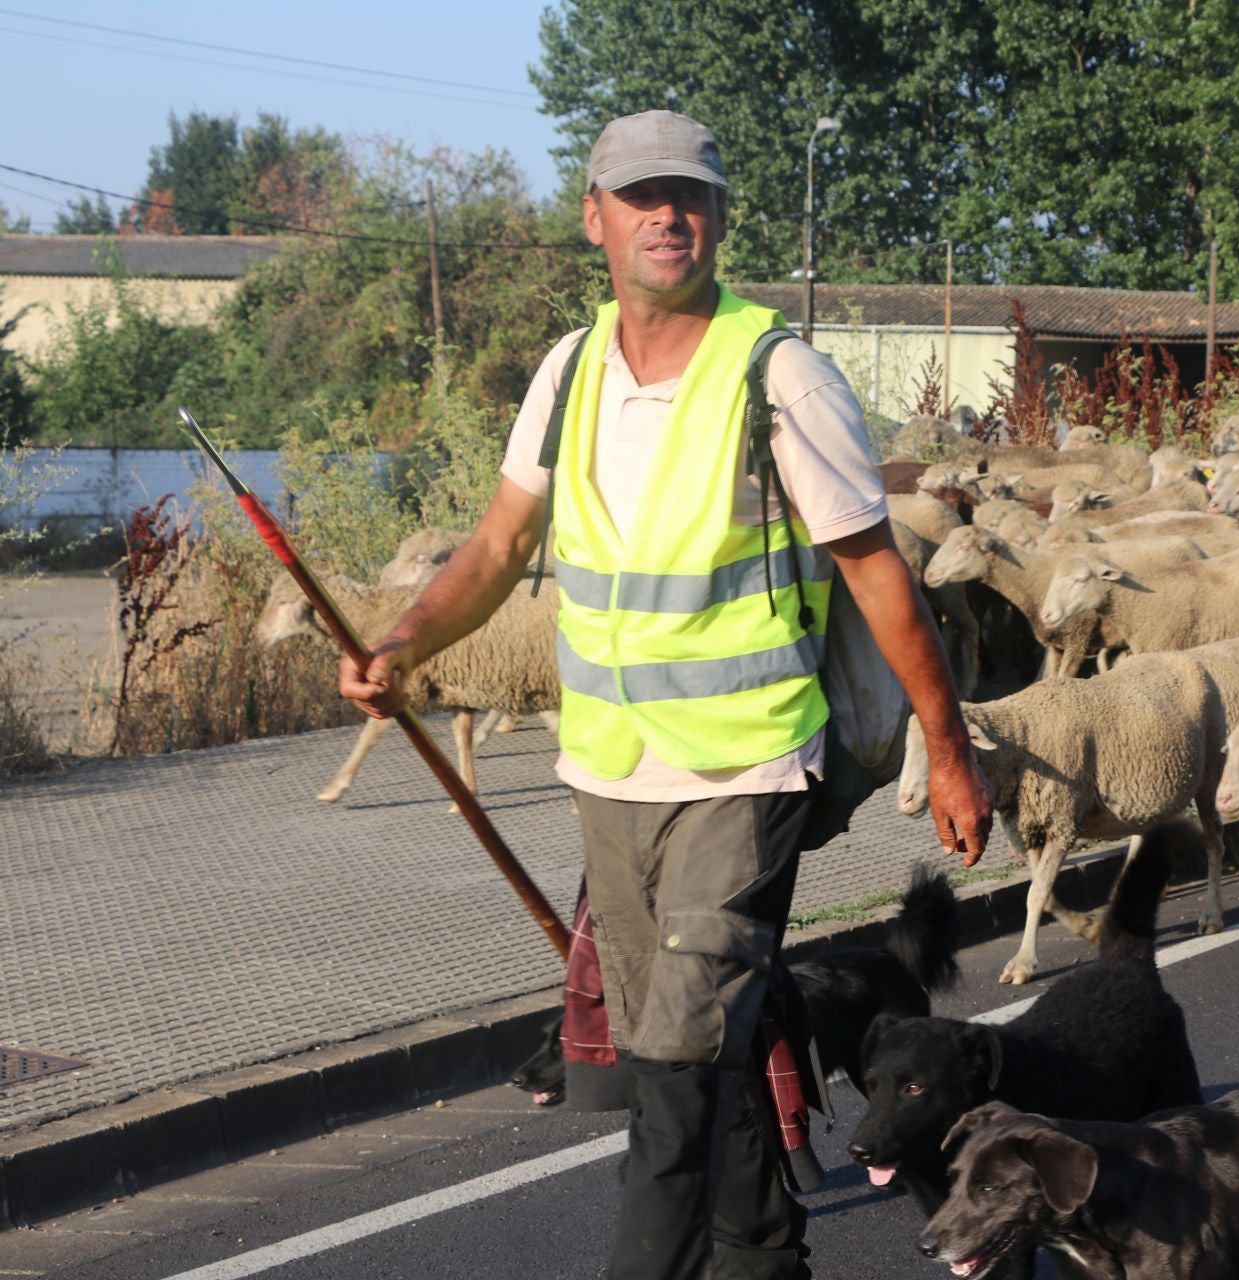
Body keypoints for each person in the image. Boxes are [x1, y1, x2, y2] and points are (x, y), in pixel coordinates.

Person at [339, 110, 992, 1280]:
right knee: (677, 1050)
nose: (667, 216)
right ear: (595, 218)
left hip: (747, 771)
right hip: (607, 773)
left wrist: (947, 749)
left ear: (720, 218)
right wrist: (400, 644)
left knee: (681, 1062)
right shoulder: (570, 369)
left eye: (689, 196)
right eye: (640, 196)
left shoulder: (775, 370)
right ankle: (762, 1259)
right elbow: (495, 548)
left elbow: (876, 570)